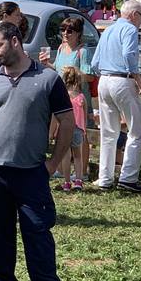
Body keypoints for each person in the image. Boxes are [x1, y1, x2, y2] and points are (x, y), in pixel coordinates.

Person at [0, 22, 75, 281]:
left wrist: (53, 163)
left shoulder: (49, 79)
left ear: (15, 42)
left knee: (37, 231)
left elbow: (67, 122)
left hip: (30, 172)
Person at [92, 0, 141, 193]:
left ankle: (105, 178)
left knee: (108, 133)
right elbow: (129, 54)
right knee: (136, 131)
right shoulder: (130, 29)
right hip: (122, 79)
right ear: (133, 15)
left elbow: (95, 62)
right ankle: (128, 178)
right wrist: (137, 77)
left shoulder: (108, 30)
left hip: (104, 79)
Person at [41, 14, 94, 181]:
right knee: (59, 131)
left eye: (69, 30)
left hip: (78, 99)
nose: (65, 33)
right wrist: (47, 64)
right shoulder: (61, 49)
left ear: (78, 33)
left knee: (81, 134)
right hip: (61, 96)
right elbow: (57, 69)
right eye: (63, 29)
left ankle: (83, 172)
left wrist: (75, 71)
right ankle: (61, 168)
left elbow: (91, 77)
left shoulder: (82, 52)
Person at [59, 67, 90, 192]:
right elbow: (85, 115)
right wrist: (84, 130)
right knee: (78, 156)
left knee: (66, 156)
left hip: (65, 129)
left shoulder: (63, 97)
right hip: (78, 129)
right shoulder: (82, 97)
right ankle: (78, 180)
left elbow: (58, 115)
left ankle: (66, 182)